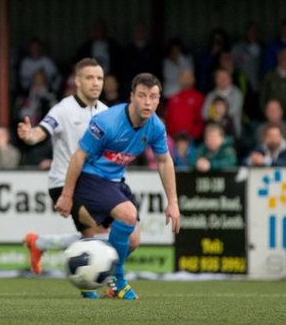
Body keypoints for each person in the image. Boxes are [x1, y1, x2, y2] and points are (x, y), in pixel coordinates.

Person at [55, 73, 180, 300]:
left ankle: (91, 276)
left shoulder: (156, 126)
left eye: (153, 97)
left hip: (115, 182)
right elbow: (78, 157)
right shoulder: (106, 122)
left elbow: (164, 161)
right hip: (90, 179)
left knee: (133, 241)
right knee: (128, 214)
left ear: (159, 99)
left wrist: (173, 202)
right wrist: (67, 194)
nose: (148, 102)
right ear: (132, 97)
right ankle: (118, 281)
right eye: (142, 96)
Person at [17, 59, 109, 292]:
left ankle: (39, 242)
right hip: (63, 183)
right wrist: (29, 135)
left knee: (97, 239)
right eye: (89, 78)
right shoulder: (63, 109)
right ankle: (115, 284)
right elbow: (41, 132)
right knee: (103, 232)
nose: (95, 83)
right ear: (78, 81)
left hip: (93, 184)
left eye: (99, 78)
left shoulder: (106, 113)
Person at [260, 48, 286, 123]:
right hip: (272, 118)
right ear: (278, 58)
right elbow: (263, 98)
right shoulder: (269, 76)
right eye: (282, 56)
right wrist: (267, 114)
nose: (284, 58)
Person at [164, 68, 205, 142]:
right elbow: (168, 118)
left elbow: (201, 119)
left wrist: (194, 135)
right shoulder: (173, 98)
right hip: (175, 140)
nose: (186, 79)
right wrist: (172, 134)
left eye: (189, 77)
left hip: (192, 140)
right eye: (184, 77)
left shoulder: (199, 98)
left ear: (193, 79)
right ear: (180, 79)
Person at [202, 68, 244, 138]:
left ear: (230, 79)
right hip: (213, 134)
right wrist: (217, 117)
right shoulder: (211, 95)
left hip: (231, 133)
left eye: (225, 77)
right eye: (219, 77)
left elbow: (233, 111)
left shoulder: (236, 93)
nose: (222, 80)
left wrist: (218, 115)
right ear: (215, 80)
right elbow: (205, 114)